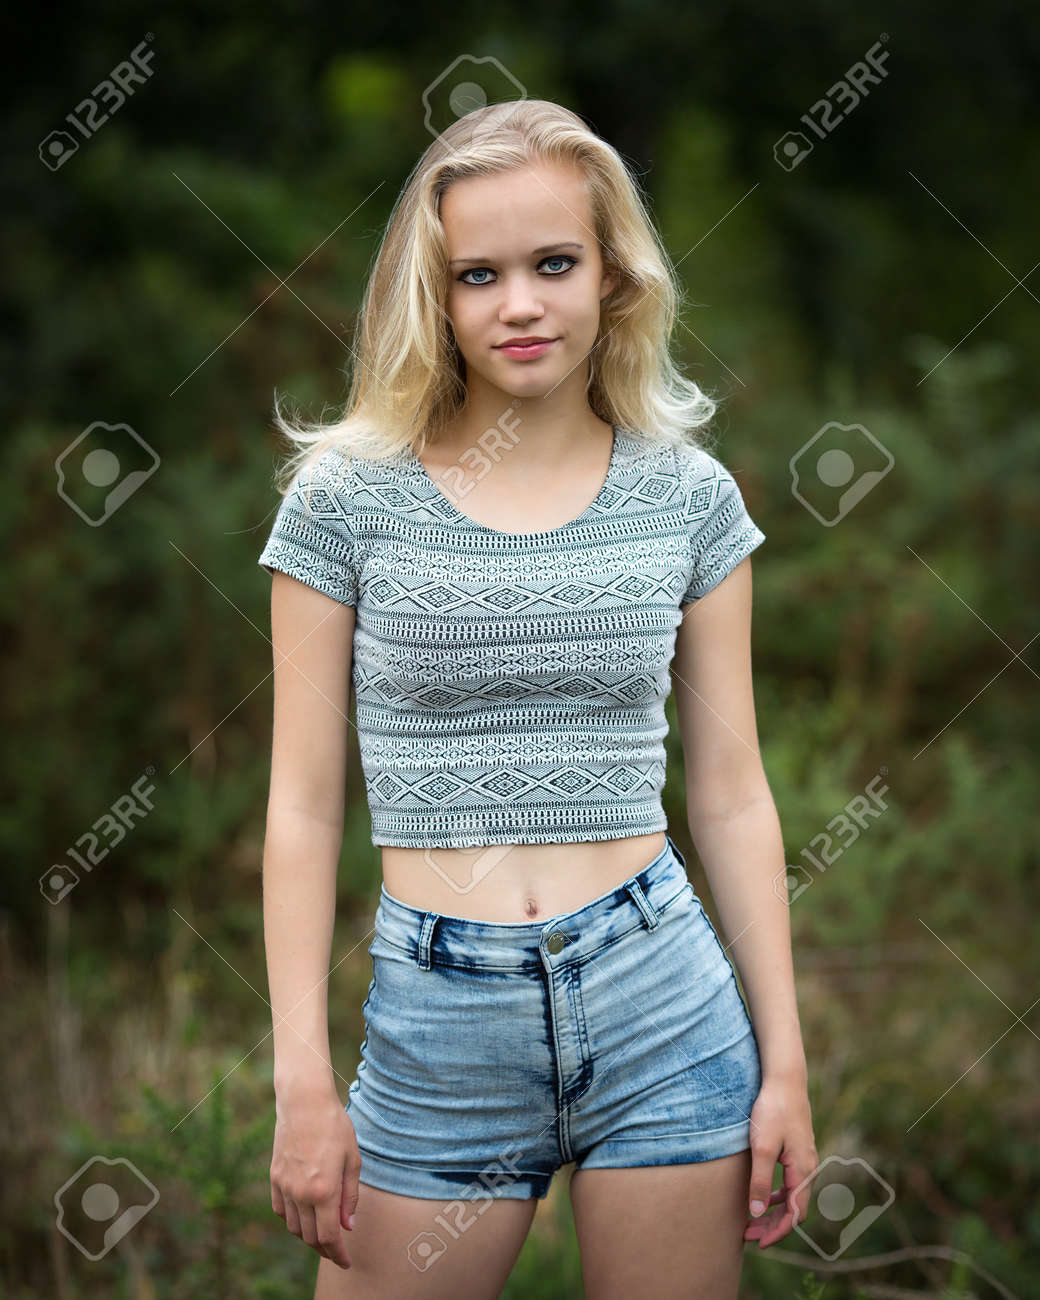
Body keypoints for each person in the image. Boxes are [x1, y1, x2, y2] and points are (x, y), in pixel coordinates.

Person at [257, 98, 817, 1300]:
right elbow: (302, 808)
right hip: (437, 1015)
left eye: (553, 263)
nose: (518, 303)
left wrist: (785, 1062)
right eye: (479, 274)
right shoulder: (343, 501)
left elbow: (729, 789)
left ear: (613, 277)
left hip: (660, 994)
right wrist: (299, 1076)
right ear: (436, 294)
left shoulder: (689, 497)